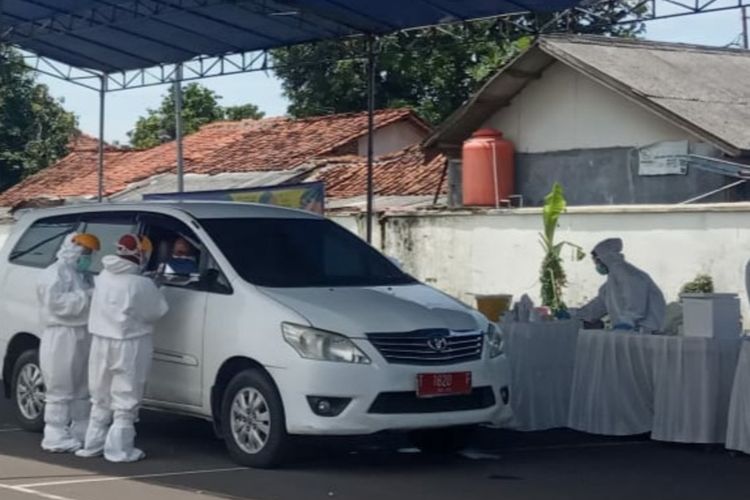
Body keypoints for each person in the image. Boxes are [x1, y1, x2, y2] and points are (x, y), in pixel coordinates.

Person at [76, 234, 168, 462]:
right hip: (130, 343)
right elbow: (157, 311)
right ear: (140, 254)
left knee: (100, 394)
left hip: (100, 340)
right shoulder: (141, 283)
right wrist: (157, 288)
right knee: (126, 395)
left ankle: (93, 444)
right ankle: (119, 450)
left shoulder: (104, 276)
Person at [37, 232, 100, 452]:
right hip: (61, 334)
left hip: (82, 332)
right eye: (85, 252)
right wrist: (89, 297)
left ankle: (80, 428)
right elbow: (57, 304)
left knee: (82, 384)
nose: (87, 257)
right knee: (60, 385)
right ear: (72, 248)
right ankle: (54, 434)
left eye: (90, 254)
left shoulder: (81, 275)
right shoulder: (54, 273)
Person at [577, 238, 666, 334]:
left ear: (605, 258)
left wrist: (627, 322)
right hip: (630, 330)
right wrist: (576, 314)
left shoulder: (627, 273)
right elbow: (599, 304)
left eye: (597, 261)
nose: (597, 265)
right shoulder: (613, 279)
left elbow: (635, 300)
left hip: (644, 330)